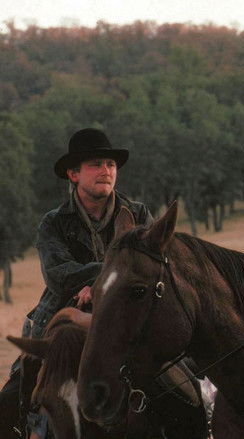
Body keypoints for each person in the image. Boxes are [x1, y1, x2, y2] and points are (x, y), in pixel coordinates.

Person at [0, 128, 152, 438]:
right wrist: (105, 277)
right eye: (95, 164)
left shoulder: (138, 214)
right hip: (63, 316)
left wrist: (99, 285)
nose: (106, 171)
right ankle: (33, 427)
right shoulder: (54, 222)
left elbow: (151, 265)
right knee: (14, 397)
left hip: (129, 314)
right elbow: (59, 274)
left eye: (110, 164)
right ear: (73, 174)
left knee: (188, 381)